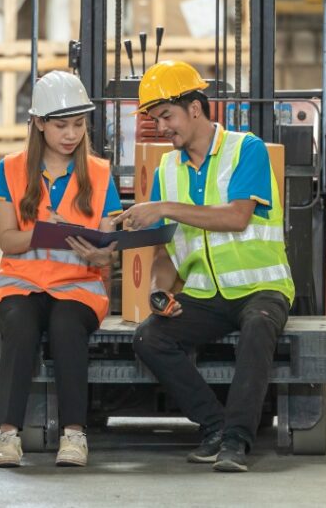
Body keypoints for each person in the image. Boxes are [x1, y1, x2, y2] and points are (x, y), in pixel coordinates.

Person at [114, 61, 295, 473]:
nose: (161, 128)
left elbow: (237, 217)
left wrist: (161, 206)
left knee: (257, 326)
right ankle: (215, 427)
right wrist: (159, 293)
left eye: (167, 116)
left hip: (260, 287)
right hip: (203, 294)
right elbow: (162, 251)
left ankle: (236, 441)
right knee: (149, 338)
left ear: (195, 108)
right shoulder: (167, 168)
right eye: (156, 119)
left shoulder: (245, 148)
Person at [0, 71, 122, 468]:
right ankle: (8, 435)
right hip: (20, 286)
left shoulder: (98, 173)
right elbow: (8, 240)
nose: (71, 134)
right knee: (22, 327)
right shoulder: (10, 170)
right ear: (39, 123)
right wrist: (46, 234)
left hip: (79, 288)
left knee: (66, 328)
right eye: (61, 125)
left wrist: (103, 256)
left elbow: (108, 244)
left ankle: (75, 435)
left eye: (78, 124)